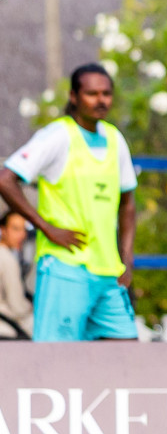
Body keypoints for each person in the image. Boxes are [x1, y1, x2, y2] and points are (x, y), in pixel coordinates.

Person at [0, 63, 137, 341]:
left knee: (127, 353)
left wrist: (127, 256)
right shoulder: (58, 135)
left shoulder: (115, 139)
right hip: (65, 269)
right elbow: (6, 179)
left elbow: (128, 202)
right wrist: (46, 228)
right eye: (92, 93)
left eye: (106, 94)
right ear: (74, 96)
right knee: (55, 361)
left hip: (107, 273)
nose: (101, 100)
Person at [0, 211, 33, 338]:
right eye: (15, 229)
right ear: (3, 230)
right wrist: (31, 307)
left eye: (24, 229)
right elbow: (17, 306)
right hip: (5, 325)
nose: (22, 235)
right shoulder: (7, 258)